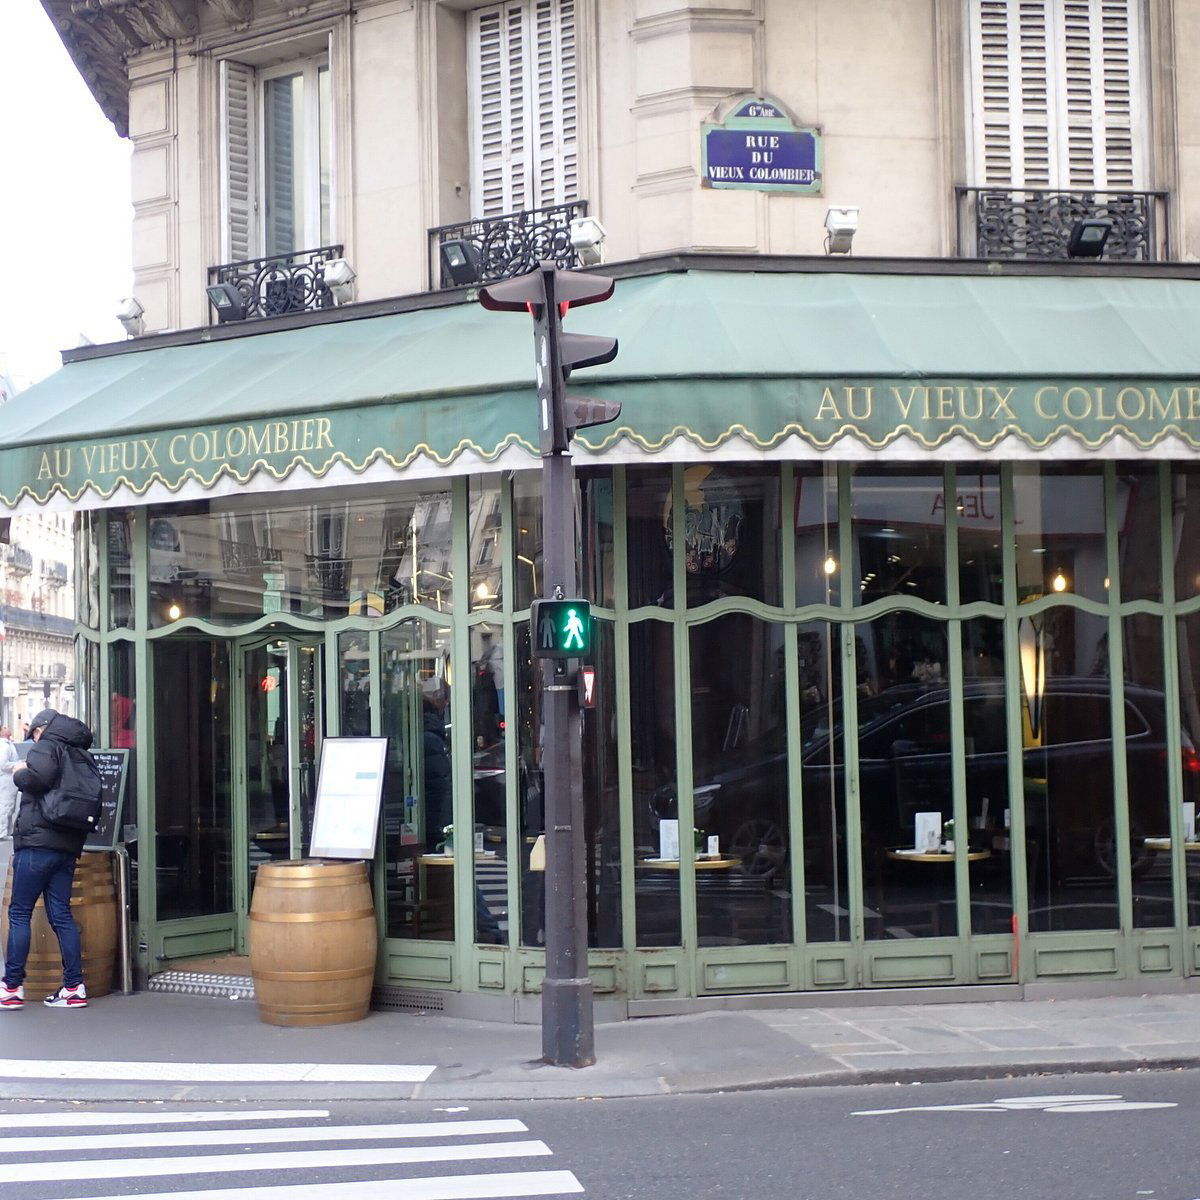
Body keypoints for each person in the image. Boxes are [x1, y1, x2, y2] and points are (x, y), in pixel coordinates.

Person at [0, 709, 98, 1010]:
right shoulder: (80, 753)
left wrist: (19, 771)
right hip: (67, 846)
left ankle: (11, 987)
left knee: (20, 913)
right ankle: (73, 987)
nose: (33, 740)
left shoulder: (47, 746)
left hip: (37, 844)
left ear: (41, 729)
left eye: (34, 734)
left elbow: (36, 779)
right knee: (61, 915)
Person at [0, 726, 19, 838]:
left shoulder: (7, 744)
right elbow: (3, 764)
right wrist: (18, 764)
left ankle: (7, 831)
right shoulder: (4, 746)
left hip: (9, 780)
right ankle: (2, 831)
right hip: (6, 780)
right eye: (5, 728)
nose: (8, 728)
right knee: (5, 806)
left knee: (10, 806)